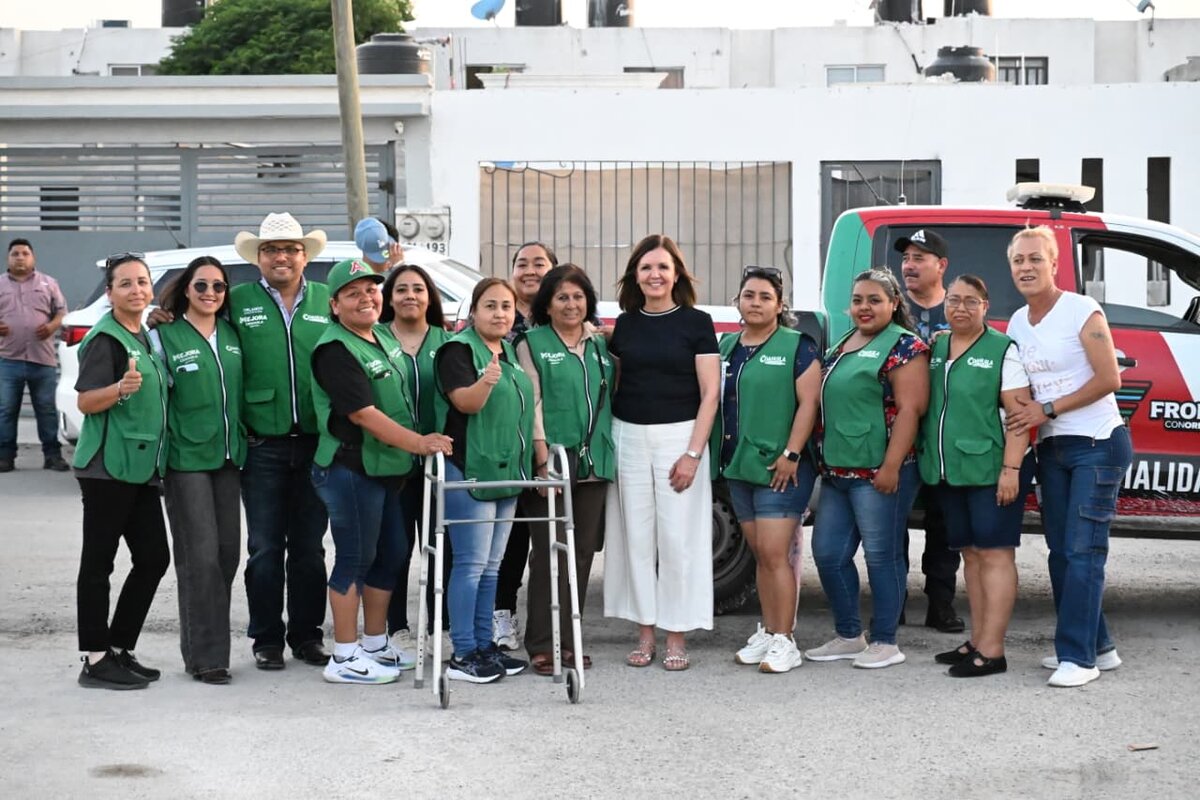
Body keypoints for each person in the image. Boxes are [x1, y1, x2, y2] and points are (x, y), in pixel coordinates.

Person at [310, 259, 454, 684]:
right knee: (354, 558)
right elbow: (362, 414)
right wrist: (419, 443)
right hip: (349, 468)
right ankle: (344, 656)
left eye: (371, 290)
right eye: (353, 293)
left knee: (390, 553)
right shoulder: (335, 349)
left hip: (384, 470)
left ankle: (375, 643)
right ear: (335, 305)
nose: (366, 298)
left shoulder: (376, 339)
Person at [1004, 226, 1132, 689]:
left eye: (1036, 258)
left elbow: (1110, 378)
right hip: (1053, 448)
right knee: (1062, 553)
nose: (1026, 267)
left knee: (1084, 552)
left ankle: (1077, 658)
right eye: (1019, 260)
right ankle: (1099, 646)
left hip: (1097, 442)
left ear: (1054, 263)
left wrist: (1049, 408)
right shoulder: (1018, 321)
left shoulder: (1081, 309)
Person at [604, 234, 720, 672]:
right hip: (628, 436)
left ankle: (676, 635)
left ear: (676, 275)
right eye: (646, 267)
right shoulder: (626, 325)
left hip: (680, 438)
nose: (654, 275)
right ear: (636, 275)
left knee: (678, 539)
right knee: (635, 537)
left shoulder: (697, 322)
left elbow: (710, 394)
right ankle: (645, 633)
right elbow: (614, 380)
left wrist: (693, 453)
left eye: (662, 268)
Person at [806, 269, 928, 670]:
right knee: (827, 553)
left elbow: (911, 410)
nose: (864, 307)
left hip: (880, 472)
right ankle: (848, 635)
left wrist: (892, 466)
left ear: (894, 303)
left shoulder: (905, 346)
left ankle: (885, 641)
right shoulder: (844, 343)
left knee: (882, 556)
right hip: (839, 472)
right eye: (858, 300)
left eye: (874, 300)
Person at [918, 275, 1034, 678]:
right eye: (954, 300)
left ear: (985, 306)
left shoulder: (1003, 350)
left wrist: (1011, 470)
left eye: (971, 301)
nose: (960, 308)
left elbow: (1019, 419)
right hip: (950, 471)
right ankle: (978, 639)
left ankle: (993, 650)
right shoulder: (936, 346)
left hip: (992, 471)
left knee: (995, 554)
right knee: (969, 553)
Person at [230, 212, 332, 670]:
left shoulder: (329, 300)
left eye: (291, 249)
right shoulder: (236, 301)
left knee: (310, 548)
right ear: (259, 258)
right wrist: (162, 313)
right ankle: (266, 639)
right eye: (272, 249)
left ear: (305, 255)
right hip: (263, 444)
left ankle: (307, 636)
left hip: (316, 442)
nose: (282, 257)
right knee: (265, 548)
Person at [715, 266, 821, 675]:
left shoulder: (798, 345)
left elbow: (808, 404)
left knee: (777, 554)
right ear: (737, 302)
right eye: (748, 295)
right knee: (761, 554)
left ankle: (786, 639)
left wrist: (792, 454)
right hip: (740, 466)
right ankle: (770, 632)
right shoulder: (726, 347)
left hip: (783, 468)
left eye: (764, 296)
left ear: (780, 305)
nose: (755, 302)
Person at [73, 253, 170, 690]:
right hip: (106, 469)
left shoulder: (143, 334)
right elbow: (86, 402)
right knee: (99, 563)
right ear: (109, 292)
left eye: (142, 282)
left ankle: (118, 647)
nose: (136, 290)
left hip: (139, 466)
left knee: (153, 558)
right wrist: (119, 388)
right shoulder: (105, 339)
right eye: (125, 284)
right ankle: (94, 658)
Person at [514, 264, 614, 675]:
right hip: (552, 461)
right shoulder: (530, 343)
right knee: (548, 555)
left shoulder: (600, 345)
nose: (571, 304)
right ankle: (541, 642)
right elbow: (531, 402)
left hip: (594, 463)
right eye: (561, 297)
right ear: (547, 305)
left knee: (582, 554)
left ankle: (570, 638)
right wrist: (540, 459)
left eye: (578, 296)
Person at [434, 277, 535, 683]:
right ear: (473, 311)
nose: (499, 314)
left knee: (492, 568)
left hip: (506, 473)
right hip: (470, 470)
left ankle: (484, 645)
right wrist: (487, 381)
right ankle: (462, 652)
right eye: (490, 306)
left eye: (506, 307)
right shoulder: (457, 351)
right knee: (471, 565)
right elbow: (466, 403)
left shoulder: (509, 351)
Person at [153, 257, 245, 685]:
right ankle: (209, 658)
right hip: (185, 461)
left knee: (227, 556)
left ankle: (200, 650)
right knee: (200, 557)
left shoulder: (232, 334)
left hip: (228, 459)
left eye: (219, 287)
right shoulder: (163, 336)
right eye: (202, 285)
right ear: (186, 289)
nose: (211, 293)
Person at [378, 263, 453, 658]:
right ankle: (397, 628)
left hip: (440, 461)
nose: (410, 296)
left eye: (418, 289)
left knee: (443, 546)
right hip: (391, 461)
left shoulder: (449, 341)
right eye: (402, 289)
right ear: (389, 298)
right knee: (395, 546)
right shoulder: (373, 339)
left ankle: (440, 626)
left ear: (430, 297)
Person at [895, 229, 964, 633]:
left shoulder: (958, 312)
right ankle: (894, 602)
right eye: (906, 257)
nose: (909, 264)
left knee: (944, 525)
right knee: (892, 524)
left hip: (943, 438)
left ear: (941, 266)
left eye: (920, 257)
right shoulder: (891, 309)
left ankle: (941, 604)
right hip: (899, 438)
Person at [493, 241, 558, 651]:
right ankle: (502, 614)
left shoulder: (564, 315)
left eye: (540, 263)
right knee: (509, 537)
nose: (530, 270)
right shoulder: (498, 313)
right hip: (507, 442)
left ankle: (552, 623)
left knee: (550, 538)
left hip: (559, 444)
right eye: (522, 263)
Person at [0, 238, 69, 472]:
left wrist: (51, 327)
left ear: (33, 257)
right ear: (8, 258)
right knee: (6, 410)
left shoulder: (49, 284)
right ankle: (5, 457)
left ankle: (52, 455)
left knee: (47, 409)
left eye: (25, 253)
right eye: (15, 253)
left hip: (43, 360)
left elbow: (62, 313)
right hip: (8, 360)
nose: (20, 257)